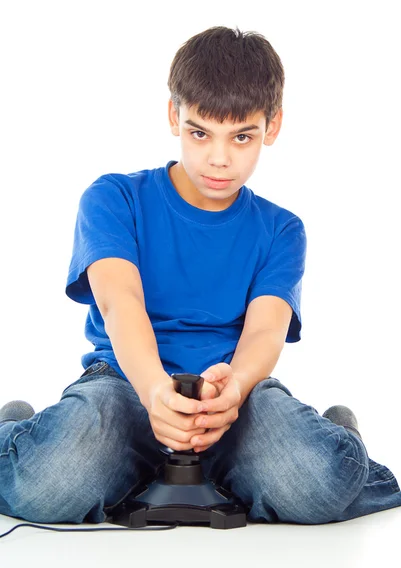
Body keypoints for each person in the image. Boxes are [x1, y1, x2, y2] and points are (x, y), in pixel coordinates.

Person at [1, 26, 400, 526]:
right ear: (174, 115)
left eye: (241, 137)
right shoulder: (113, 198)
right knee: (50, 485)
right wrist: (154, 392)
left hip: (233, 396)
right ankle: (19, 432)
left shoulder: (281, 230)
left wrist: (232, 390)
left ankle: (333, 437)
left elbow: (264, 329)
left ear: (271, 127)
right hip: (128, 385)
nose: (218, 158)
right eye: (199, 132)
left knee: (313, 482)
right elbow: (119, 303)